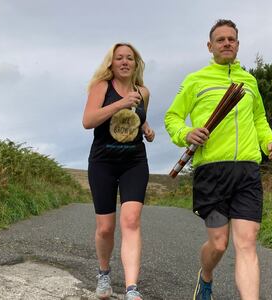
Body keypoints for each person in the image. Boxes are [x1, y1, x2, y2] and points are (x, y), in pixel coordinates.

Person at [165, 19, 272, 300]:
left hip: (247, 171)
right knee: (218, 244)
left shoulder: (249, 82)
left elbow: (259, 120)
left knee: (247, 244)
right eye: (221, 39)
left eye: (231, 39)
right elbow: (172, 118)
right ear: (210, 46)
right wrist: (186, 133)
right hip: (212, 171)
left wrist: (270, 142)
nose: (227, 43)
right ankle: (205, 276)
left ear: (238, 45)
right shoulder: (196, 80)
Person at [82, 42, 155, 300]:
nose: (125, 62)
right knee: (105, 228)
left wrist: (146, 128)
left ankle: (131, 288)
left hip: (134, 162)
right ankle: (104, 274)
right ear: (111, 64)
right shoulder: (101, 87)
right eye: (119, 58)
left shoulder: (143, 91)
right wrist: (121, 103)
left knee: (131, 221)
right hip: (102, 162)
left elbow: (139, 116)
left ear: (136, 64)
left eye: (130, 58)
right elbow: (88, 121)